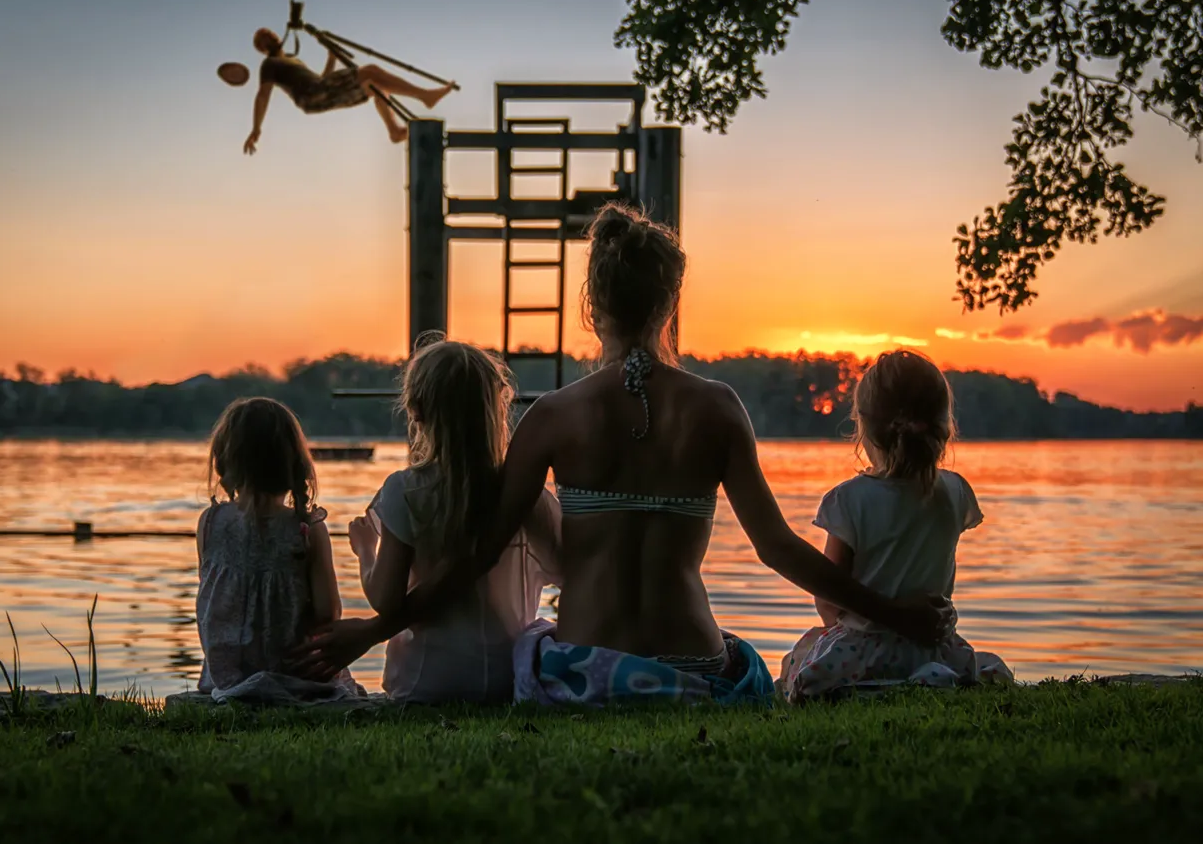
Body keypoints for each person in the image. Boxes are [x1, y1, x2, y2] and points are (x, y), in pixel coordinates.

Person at [290, 203, 953, 703]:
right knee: (748, 663)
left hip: (582, 670)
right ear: (670, 303)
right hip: (693, 668)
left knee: (534, 642)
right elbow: (777, 547)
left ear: (591, 303)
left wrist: (370, 632)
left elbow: (476, 558)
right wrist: (895, 615)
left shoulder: (551, 416)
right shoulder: (718, 406)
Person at [779, 350, 1013, 700]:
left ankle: (872, 685)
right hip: (932, 646)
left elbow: (828, 600)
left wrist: (848, 638)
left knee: (796, 660)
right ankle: (920, 680)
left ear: (865, 427)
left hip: (863, 649)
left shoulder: (848, 500)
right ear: (943, 426)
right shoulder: (956, 492)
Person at [347, 338, 562, 703]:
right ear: (496, 407)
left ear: (415, 411)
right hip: (509, 678)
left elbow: (386, 600)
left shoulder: (405, 491)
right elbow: (568, 572)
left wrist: (366, 551)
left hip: (425, 682)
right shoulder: (527, 498)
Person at [195, 397, 363, 704]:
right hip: (296, 675)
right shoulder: (307, 529)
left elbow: (210, 598)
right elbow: (328, 613)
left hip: (227, 678)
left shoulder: (210, 523)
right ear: (296, 466)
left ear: (223, 464)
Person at [243, 27, 455, 150]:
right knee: (370, 70)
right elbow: (262, 96)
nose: (271, 39)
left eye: (271, 35)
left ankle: (394, 131)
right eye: (265, 40)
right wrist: (256, 128)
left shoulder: (292, 60)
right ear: (263, 49)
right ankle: (425, 96)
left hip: (318, 91)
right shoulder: (269, 65)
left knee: (375, 85)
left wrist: (331, 59)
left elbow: (322, 79)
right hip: (312, 95)